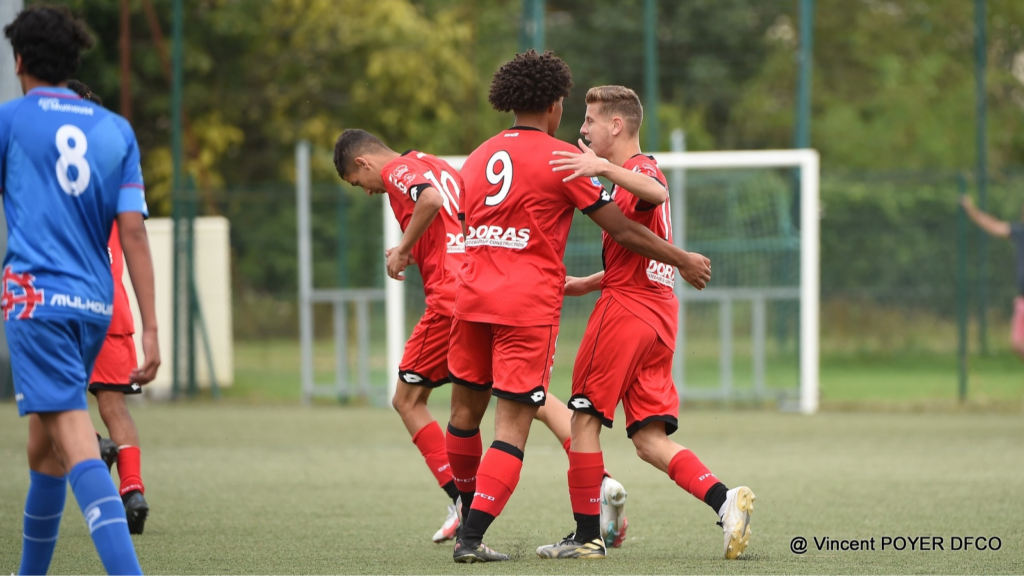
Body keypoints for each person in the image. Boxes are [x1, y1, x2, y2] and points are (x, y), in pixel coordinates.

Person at [446, 51, 712, 563]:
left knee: (462, 416)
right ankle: (470, 539)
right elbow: (623, 230)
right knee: (511, 428)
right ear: (554, 105)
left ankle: (461, 510)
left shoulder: (477, 156)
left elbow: (463, 226)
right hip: (525, 307)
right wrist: (681, 258)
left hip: (471, 297)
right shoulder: (561, 158)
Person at [332, 129, 629, 545]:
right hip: (485, 285)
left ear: (363, 163)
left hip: (451, 299)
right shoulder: (434, 162)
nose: (366, 190)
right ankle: (599, 480)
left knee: (408, 400)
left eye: (357, 182)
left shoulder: (397, 169)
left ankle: (463, 503)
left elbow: (430, 201)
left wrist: (401, 249)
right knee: (527, 397)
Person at [534, 85, 755, 561]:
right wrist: (587, 283)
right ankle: (726, 501)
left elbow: (656, 190)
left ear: (616, 125)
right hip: (658, 315)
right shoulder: (631, 175)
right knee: (649, 440)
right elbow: (638, 252)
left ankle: (587, 536)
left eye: (590, 120)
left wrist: (600, 167)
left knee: (582, 420)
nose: (583, 129)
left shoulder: (638, 169)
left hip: (626, 312)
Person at [2, 6, 159, 575]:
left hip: (36, 301)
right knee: (43, 449)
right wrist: (152, 328)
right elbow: (134, 232)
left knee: (70, 434)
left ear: (19, 60)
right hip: (96, 305)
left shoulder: (11, 120)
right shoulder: (115, 130)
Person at [66, 79, 151, 536]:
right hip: (113, 309)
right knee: (114, 406)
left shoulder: (52, 169)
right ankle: (132, 489)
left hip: (61, 305)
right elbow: (134, 233)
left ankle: (93, 445)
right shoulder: (117, 164)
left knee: (54, 404)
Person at [960, 194, 1024, 360]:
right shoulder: (1020, 232)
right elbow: (994, 226)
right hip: (1023, 299)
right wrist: (971, 210)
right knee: (1017, 344)